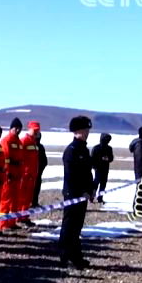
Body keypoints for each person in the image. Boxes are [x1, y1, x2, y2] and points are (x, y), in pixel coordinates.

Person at [60, 115, 94, 270]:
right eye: (84, 130)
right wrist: (81, 192)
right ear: (77, 131)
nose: (87, 133)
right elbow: (72, 176)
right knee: (70, 226)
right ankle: (66, 256)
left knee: (77, 227)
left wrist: (91, 189)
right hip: (73, 195)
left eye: (87, 130)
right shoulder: (71, 150)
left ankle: (76, 257)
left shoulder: (84, 149)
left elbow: (87, 173)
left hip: (83, 195)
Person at [0, 118, 24, 232]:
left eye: (19, 129)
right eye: (15, 128)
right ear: (11, 128)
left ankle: (11, 222)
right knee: (6, 201)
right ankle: (2, 224)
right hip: (9, 176)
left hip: (17, 176)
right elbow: (5, 159)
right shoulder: (6, 141)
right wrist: (7, 173)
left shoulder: (19, 142)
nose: (18, 130)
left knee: (15, 201)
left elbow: (21, 159)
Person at [16, 121, 41, 228]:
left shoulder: (34, 142)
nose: (36, 132)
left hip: (32, 175)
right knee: (22, 197)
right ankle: (19, 218)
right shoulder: (24, 141)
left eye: (37, 130)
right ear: (29, 129)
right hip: (25, 175)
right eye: (34, 130)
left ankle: (25, 217)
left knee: (28, 198)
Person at [91, 133, 114, 204]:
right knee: (96, 183)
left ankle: (100, 198)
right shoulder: (96, 148)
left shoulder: (109, 148)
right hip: (98, 168)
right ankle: (92, 196)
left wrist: (107, 159)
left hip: (105, 168)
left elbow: (111, 158)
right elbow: (92, 159)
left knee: (103, 184)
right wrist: (94, 166)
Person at [31, 130, 48, 208]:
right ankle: (29, 203)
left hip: (38, 172)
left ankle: (34, 202)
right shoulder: (30, 146)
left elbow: (44, 161)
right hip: (30, 173)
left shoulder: (41, 147)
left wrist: (40, 169)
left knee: (37, 187)